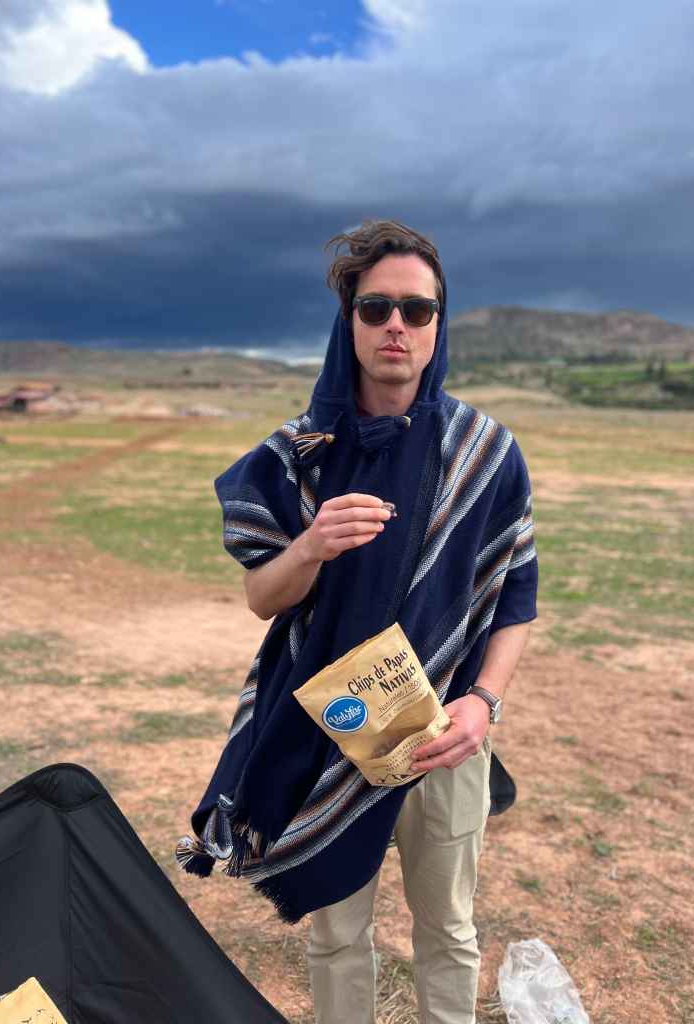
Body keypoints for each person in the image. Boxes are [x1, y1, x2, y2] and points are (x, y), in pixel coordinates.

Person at [177, 219, 538, 1024]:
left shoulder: (485, 452)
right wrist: (308, 545)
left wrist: (483, 703)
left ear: (440, 322)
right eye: (376, 309)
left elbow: (516, 599)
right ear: (349, 323)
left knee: (446, 928)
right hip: (331, 732)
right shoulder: (300, 453)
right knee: (338, 937)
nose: (397, 327)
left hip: (445, 735)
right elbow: (263, 598)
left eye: (417, 309)